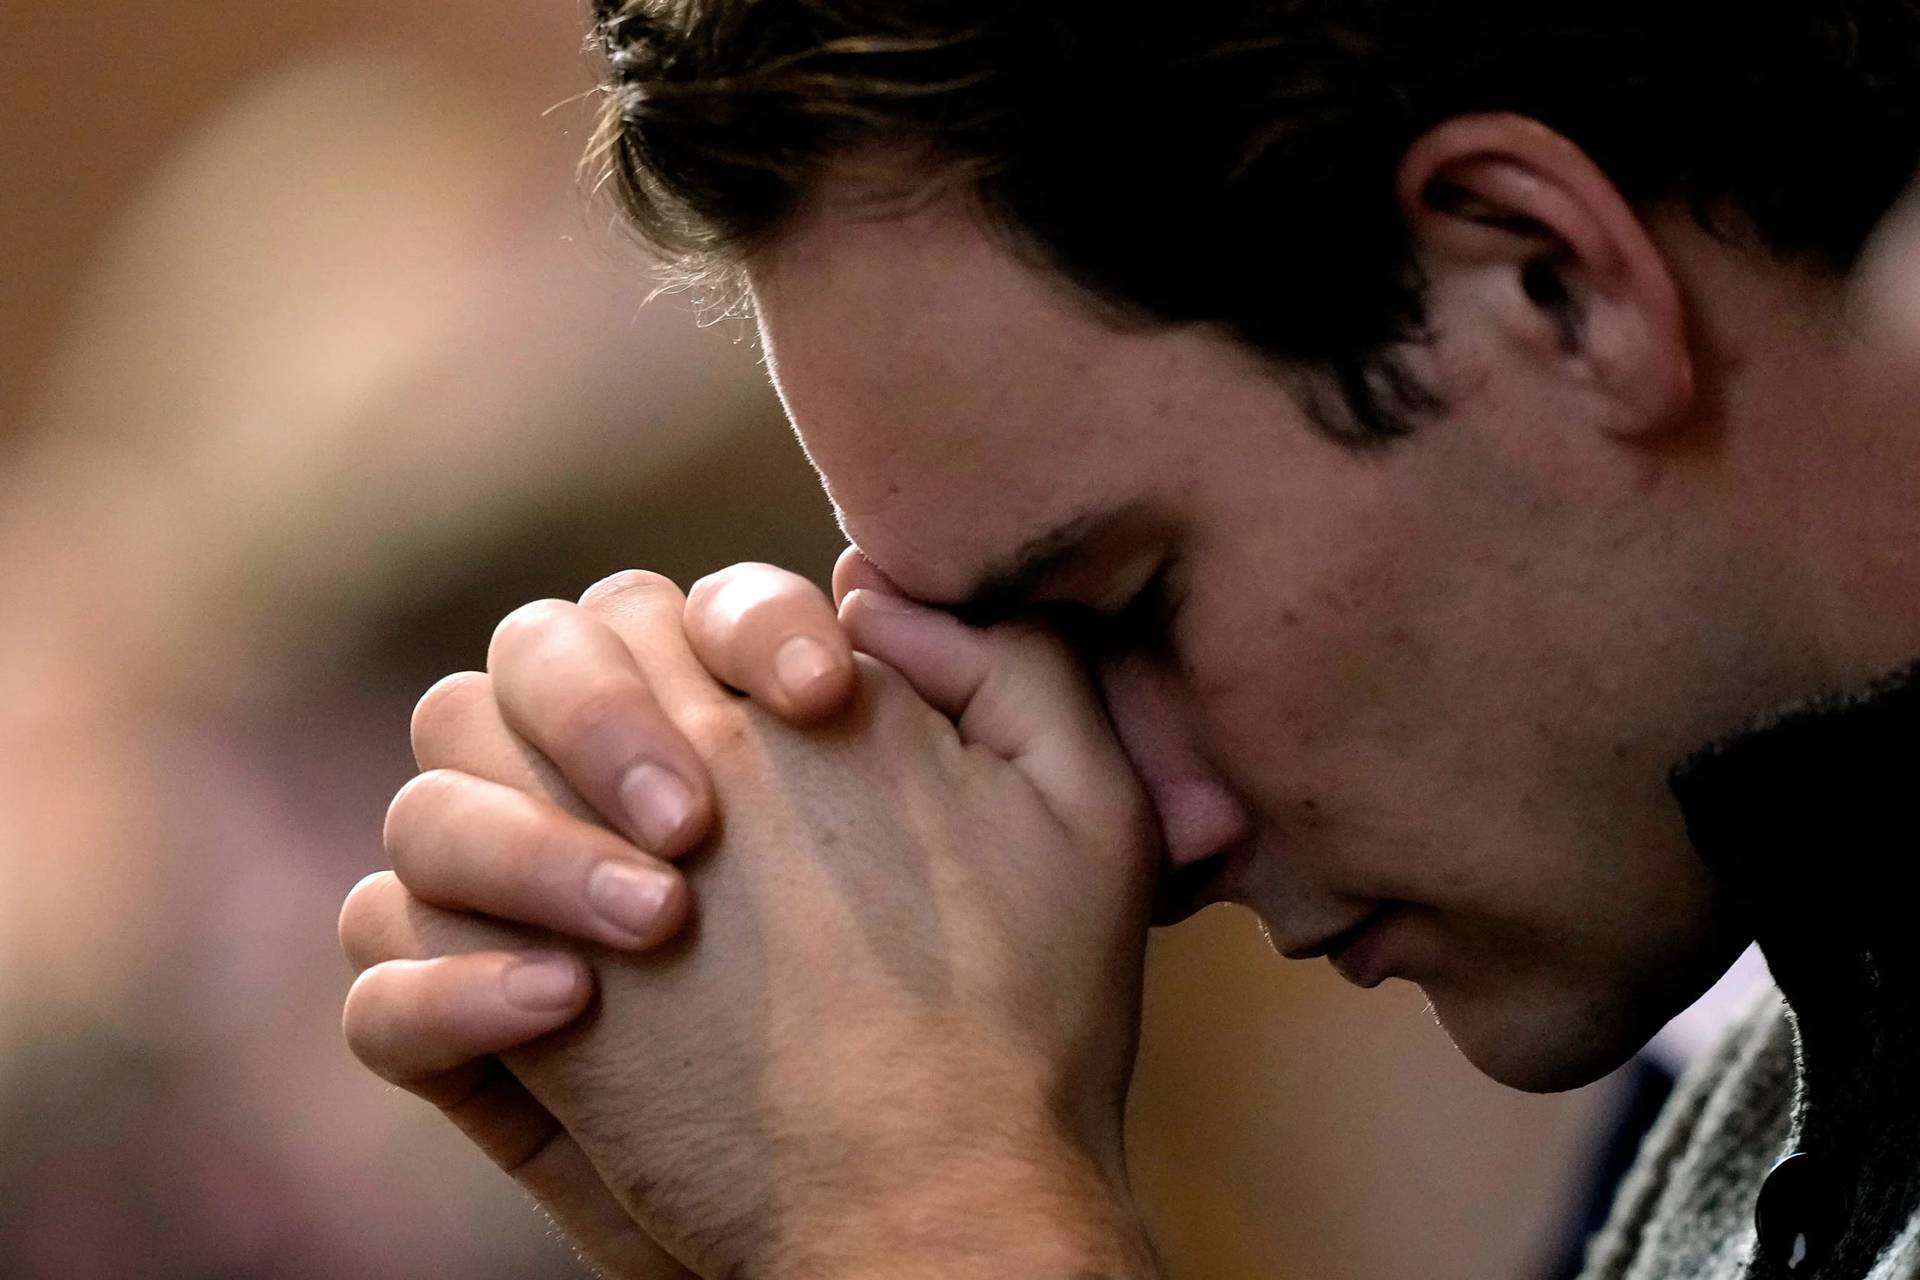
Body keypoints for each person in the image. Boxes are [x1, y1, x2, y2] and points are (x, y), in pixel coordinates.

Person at [337, 4, 1920, 1277]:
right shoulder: (1798, 1068)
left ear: (1548, 283)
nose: (1140, 839)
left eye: (1124, 606)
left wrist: (916, 1213)